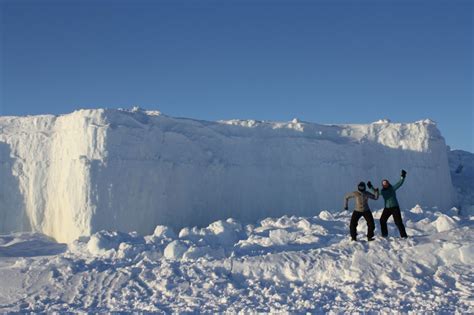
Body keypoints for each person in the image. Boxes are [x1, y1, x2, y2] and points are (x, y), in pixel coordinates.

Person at [379, 169, 408, 238]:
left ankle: (404, 236)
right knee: (382, 220)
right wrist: (370, 187)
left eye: (386, 183)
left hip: (395, 207)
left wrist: (403, 176)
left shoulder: (392, 188)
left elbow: (399, 183)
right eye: (384, 184)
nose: (385, 185)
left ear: (388, 183)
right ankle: (384, 235)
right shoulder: (382, 191)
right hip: (387, 208)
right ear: (383, 185)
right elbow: (376, 193)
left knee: (398, 222)